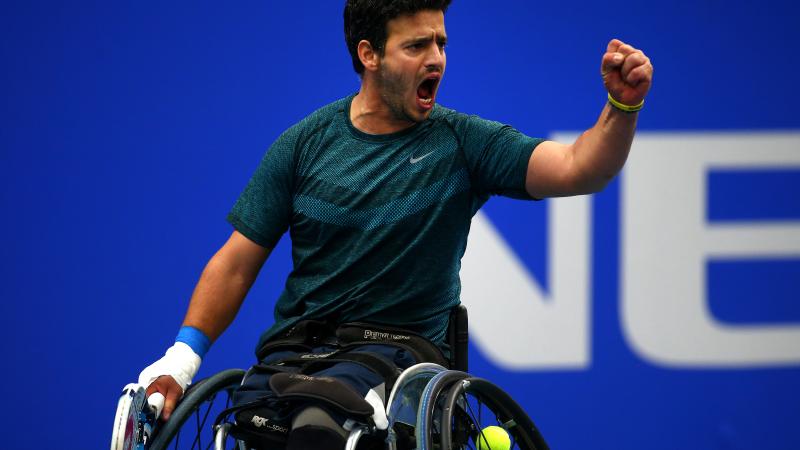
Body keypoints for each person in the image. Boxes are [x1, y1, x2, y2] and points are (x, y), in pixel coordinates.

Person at [136, 0, 653, 448]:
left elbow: (581, 167)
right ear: (369, 54)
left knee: (319, 428)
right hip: (293, 357)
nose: (437, 59)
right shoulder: (303, 145)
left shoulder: (462, 144)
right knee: (250, 422)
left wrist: (621, 106)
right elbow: (235, 263)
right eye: (417, 46)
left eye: (441, 44)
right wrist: (179, 361)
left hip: (399, 357)